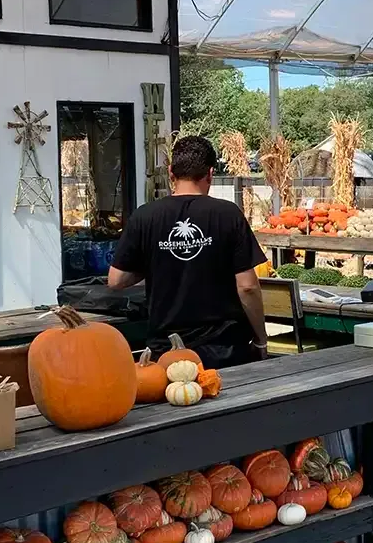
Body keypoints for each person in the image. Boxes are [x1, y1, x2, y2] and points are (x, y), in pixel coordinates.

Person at [108, 135, 268, 368]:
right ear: (210, 173)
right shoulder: (228, 214)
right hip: (224, 350)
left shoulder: (145, 216)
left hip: (166, 352)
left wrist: (158, 260)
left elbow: (116, 280)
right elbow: (248, 286)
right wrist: (261, 340)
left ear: (171, 172)